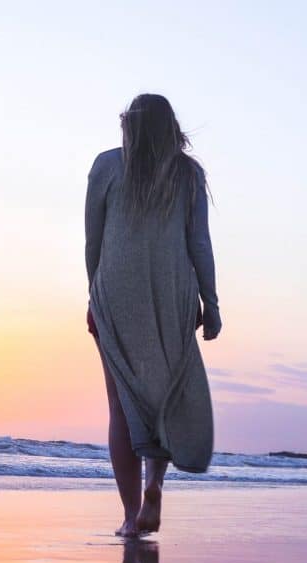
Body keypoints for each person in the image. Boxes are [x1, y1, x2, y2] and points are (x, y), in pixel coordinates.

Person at [84, 93, 221, 537]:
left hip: (117, 293)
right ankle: (154, 486)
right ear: (171, 128)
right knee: (164, 397)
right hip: (172, 294)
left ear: (129, 126)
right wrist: (211, 304)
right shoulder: (188, 175)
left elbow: (93, 242)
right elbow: (199, 243)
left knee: (121, 405)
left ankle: (129, 516)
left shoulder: (106, 166)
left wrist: (94, 296)